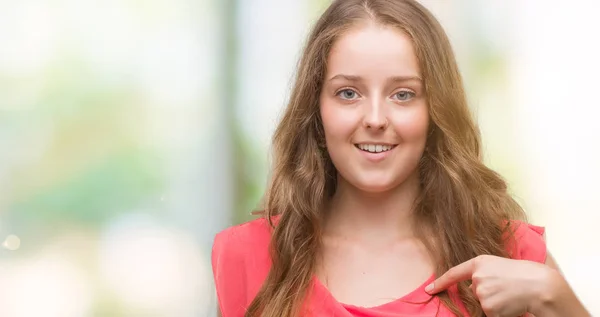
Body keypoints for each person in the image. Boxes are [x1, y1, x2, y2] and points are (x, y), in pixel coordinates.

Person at [211, 0, 591, 316]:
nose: (375, 119)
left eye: (403, 94)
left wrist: (555, 296)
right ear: (316, 108)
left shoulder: (511, 254)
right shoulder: (246, 255)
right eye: (348, 93)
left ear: (436, 111)